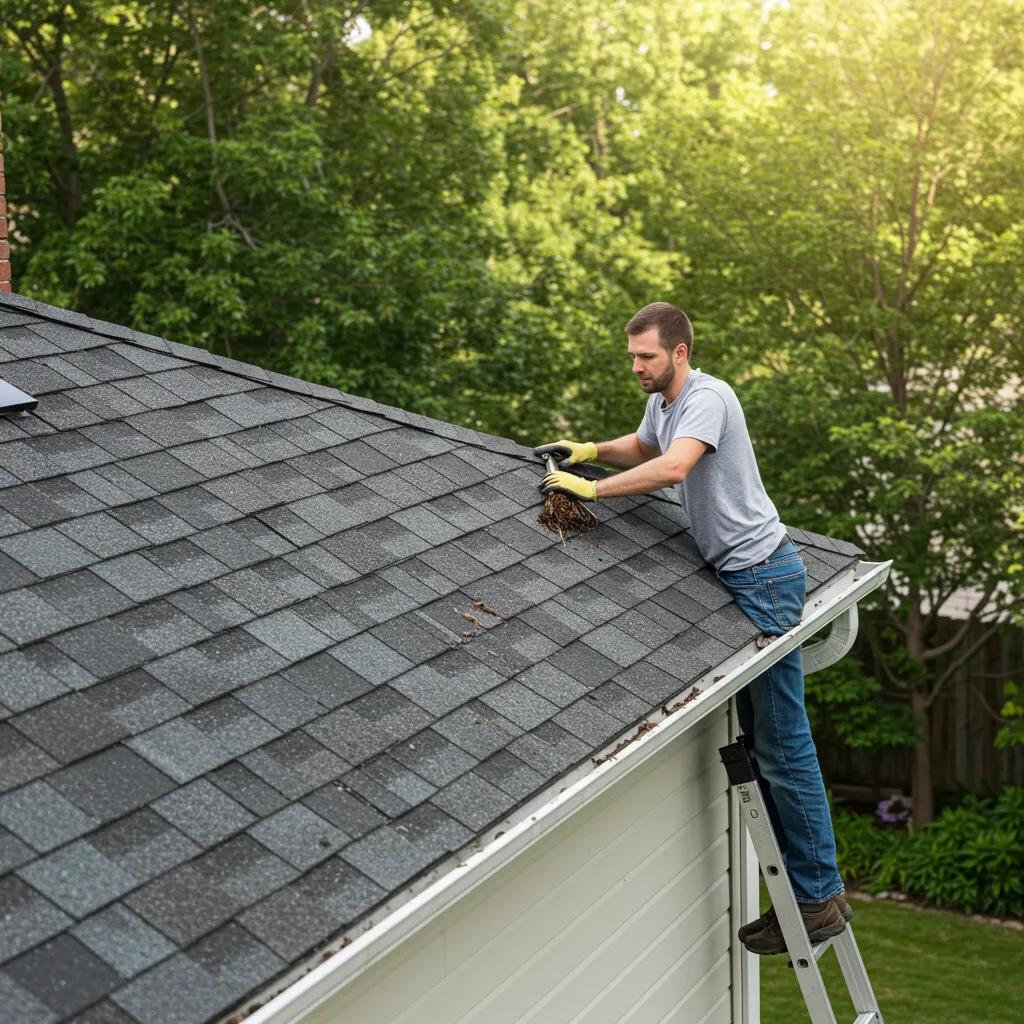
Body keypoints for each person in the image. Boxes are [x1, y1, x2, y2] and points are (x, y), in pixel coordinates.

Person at [534, 301, 849, 954]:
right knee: (768, 745)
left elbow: (673, 468)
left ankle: (818, 899)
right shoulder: (666, 404)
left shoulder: (709, 397)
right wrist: (588, 451)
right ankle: (809, 894)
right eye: (632, 357)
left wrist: (589, 490)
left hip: (763, 573)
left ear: (679, 352)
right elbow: (647, 445)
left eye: (646, 356)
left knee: (784, 747)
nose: (637, 367)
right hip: (745, 574)